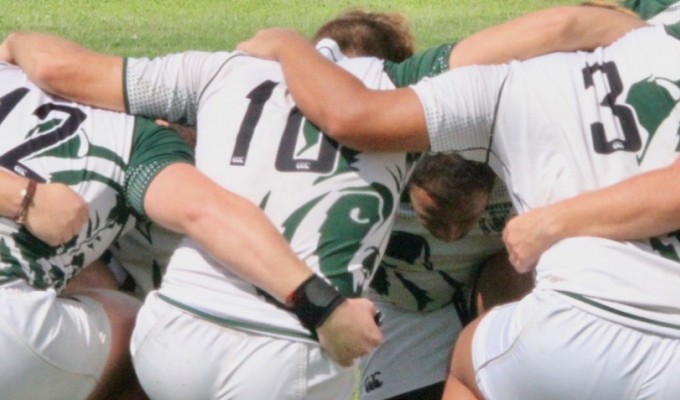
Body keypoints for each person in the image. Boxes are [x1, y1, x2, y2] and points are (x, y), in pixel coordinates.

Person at [236, 6, 680, 399]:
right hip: (416, 312)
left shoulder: (501, 86)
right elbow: (567, 23)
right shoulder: (660, 52)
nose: (449, 232)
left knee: (476, 348)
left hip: (565, 326)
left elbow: (353, 114)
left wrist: (286, 43)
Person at [0, 56, 385, 400]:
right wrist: (323, 307)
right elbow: (204, 211)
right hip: (11, 332)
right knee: (143, 334)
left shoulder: (12, 73)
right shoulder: (145, 141)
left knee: (82, 293)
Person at [359, 152, 532, 400]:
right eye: (435, 218)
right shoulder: (370, 185)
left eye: (465, 219)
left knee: (514, 270)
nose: (451, 235)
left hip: (493, 293)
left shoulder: (520, 176)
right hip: (403, 305)